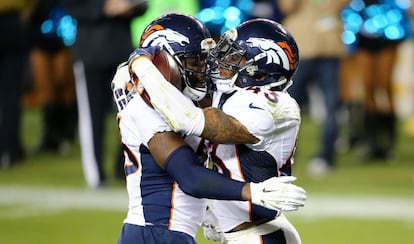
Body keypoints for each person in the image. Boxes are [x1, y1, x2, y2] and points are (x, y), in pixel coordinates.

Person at [113, 13, 306, 244]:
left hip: (255, 233)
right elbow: (187, 176)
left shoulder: (268, 103)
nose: (209, 67)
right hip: (157, 232)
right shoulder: (150, 107)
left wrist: (140, 66)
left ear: (262, 71)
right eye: (196, 61)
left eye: (235, 58)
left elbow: (189, 121)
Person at [61, 0, 148, 188]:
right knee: (92, 117)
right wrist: (103, 8)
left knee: (130, 114)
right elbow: (71, 6)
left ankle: (124, 167)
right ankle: (96, 173)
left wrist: (131, 8)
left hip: (122, 53)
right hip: (90, 53)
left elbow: (143, 5)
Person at [279, 0, 348, 176]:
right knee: (289, 107)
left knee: (332, 107)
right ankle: (284, 155)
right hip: (301, 48)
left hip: (329, 49)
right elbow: (286, 7)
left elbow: (340, 5)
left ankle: (326, 156)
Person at [342, 0, 411, 160]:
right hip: (364, 38)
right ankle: (371, 142)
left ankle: (389, 143)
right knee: (368, 88)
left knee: (385, 87)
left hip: (387, 36)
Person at [27, 0, 77, 154]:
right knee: (45, 86)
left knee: (63, 82)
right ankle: (49, 135)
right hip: (39, 37)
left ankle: (67, 130)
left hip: (65, 37)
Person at [0, 0, 30, 168]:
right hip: (12, 23)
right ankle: (9, 150)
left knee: (10, 93)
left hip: (12, 23)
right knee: (11, 93)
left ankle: (8, 148)